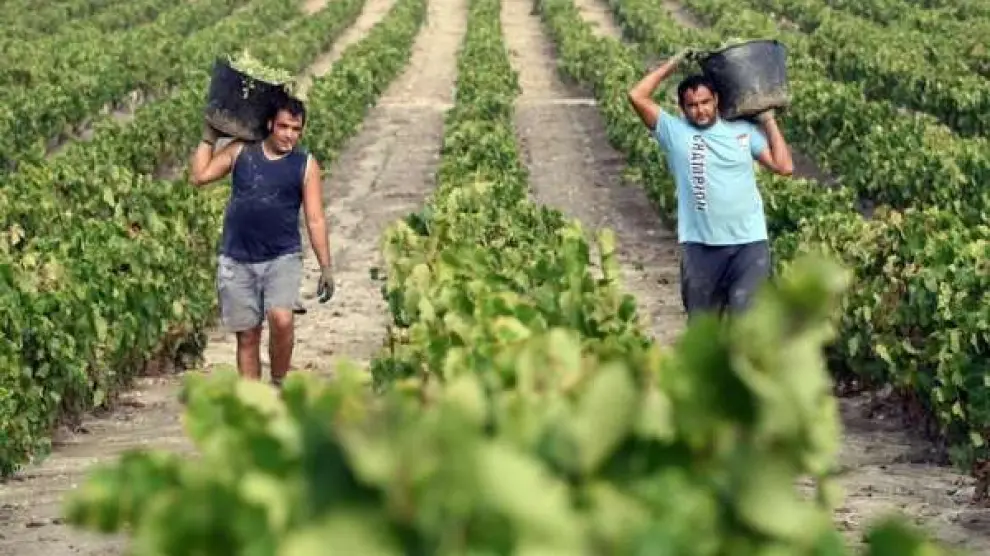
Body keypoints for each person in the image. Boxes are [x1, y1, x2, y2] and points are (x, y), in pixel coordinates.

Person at [627, 48, 794, 321]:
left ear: (716, 99)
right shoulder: (674, 132)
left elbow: (784, 167)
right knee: (703, 328)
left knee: (748, 323)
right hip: (701, 248)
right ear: (682, 108)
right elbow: (636, 95)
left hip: (749, 245)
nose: (700, 110)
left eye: (705, 102)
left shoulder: (743, 131)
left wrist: (768, 119)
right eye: (692, 105)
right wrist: (671, 65)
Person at [189, 96, 335, 388]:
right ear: (270, 124)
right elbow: (200, 176)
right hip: (236, 258)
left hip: (282, 257)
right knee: (248, 335)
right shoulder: (241, 151)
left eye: (296, 129)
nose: (289, 135)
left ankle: (278, 380)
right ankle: (253, 400)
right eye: (283, 127)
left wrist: (326, 267)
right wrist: (209, 137)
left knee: (282, 319)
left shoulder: (305, 165)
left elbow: (315, 218)